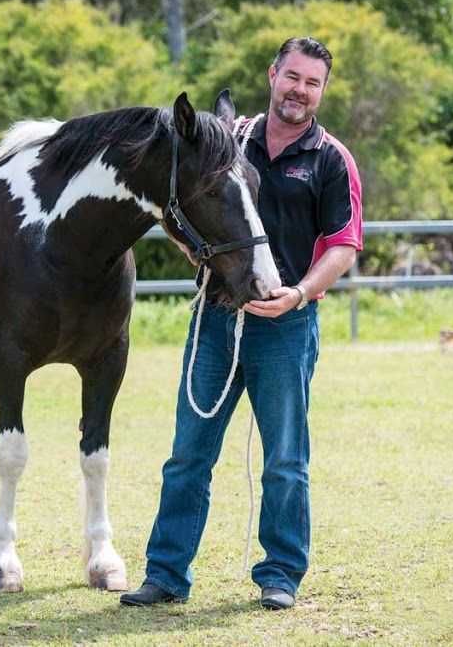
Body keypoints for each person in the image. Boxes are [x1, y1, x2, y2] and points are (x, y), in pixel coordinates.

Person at [120, 36, 362, 611]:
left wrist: (299, 294)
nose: (300, 91)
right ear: (273, 74)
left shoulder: (331, 158)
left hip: (286, 326)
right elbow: (181, 201)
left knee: (285, 461)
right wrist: (199, 254)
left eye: (313, 83)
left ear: (322, 91)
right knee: (188, 455)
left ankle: (279, 575)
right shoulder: (230, 140)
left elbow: (344, 246)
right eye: (293, 77)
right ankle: (166, 575)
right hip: (215, 323)